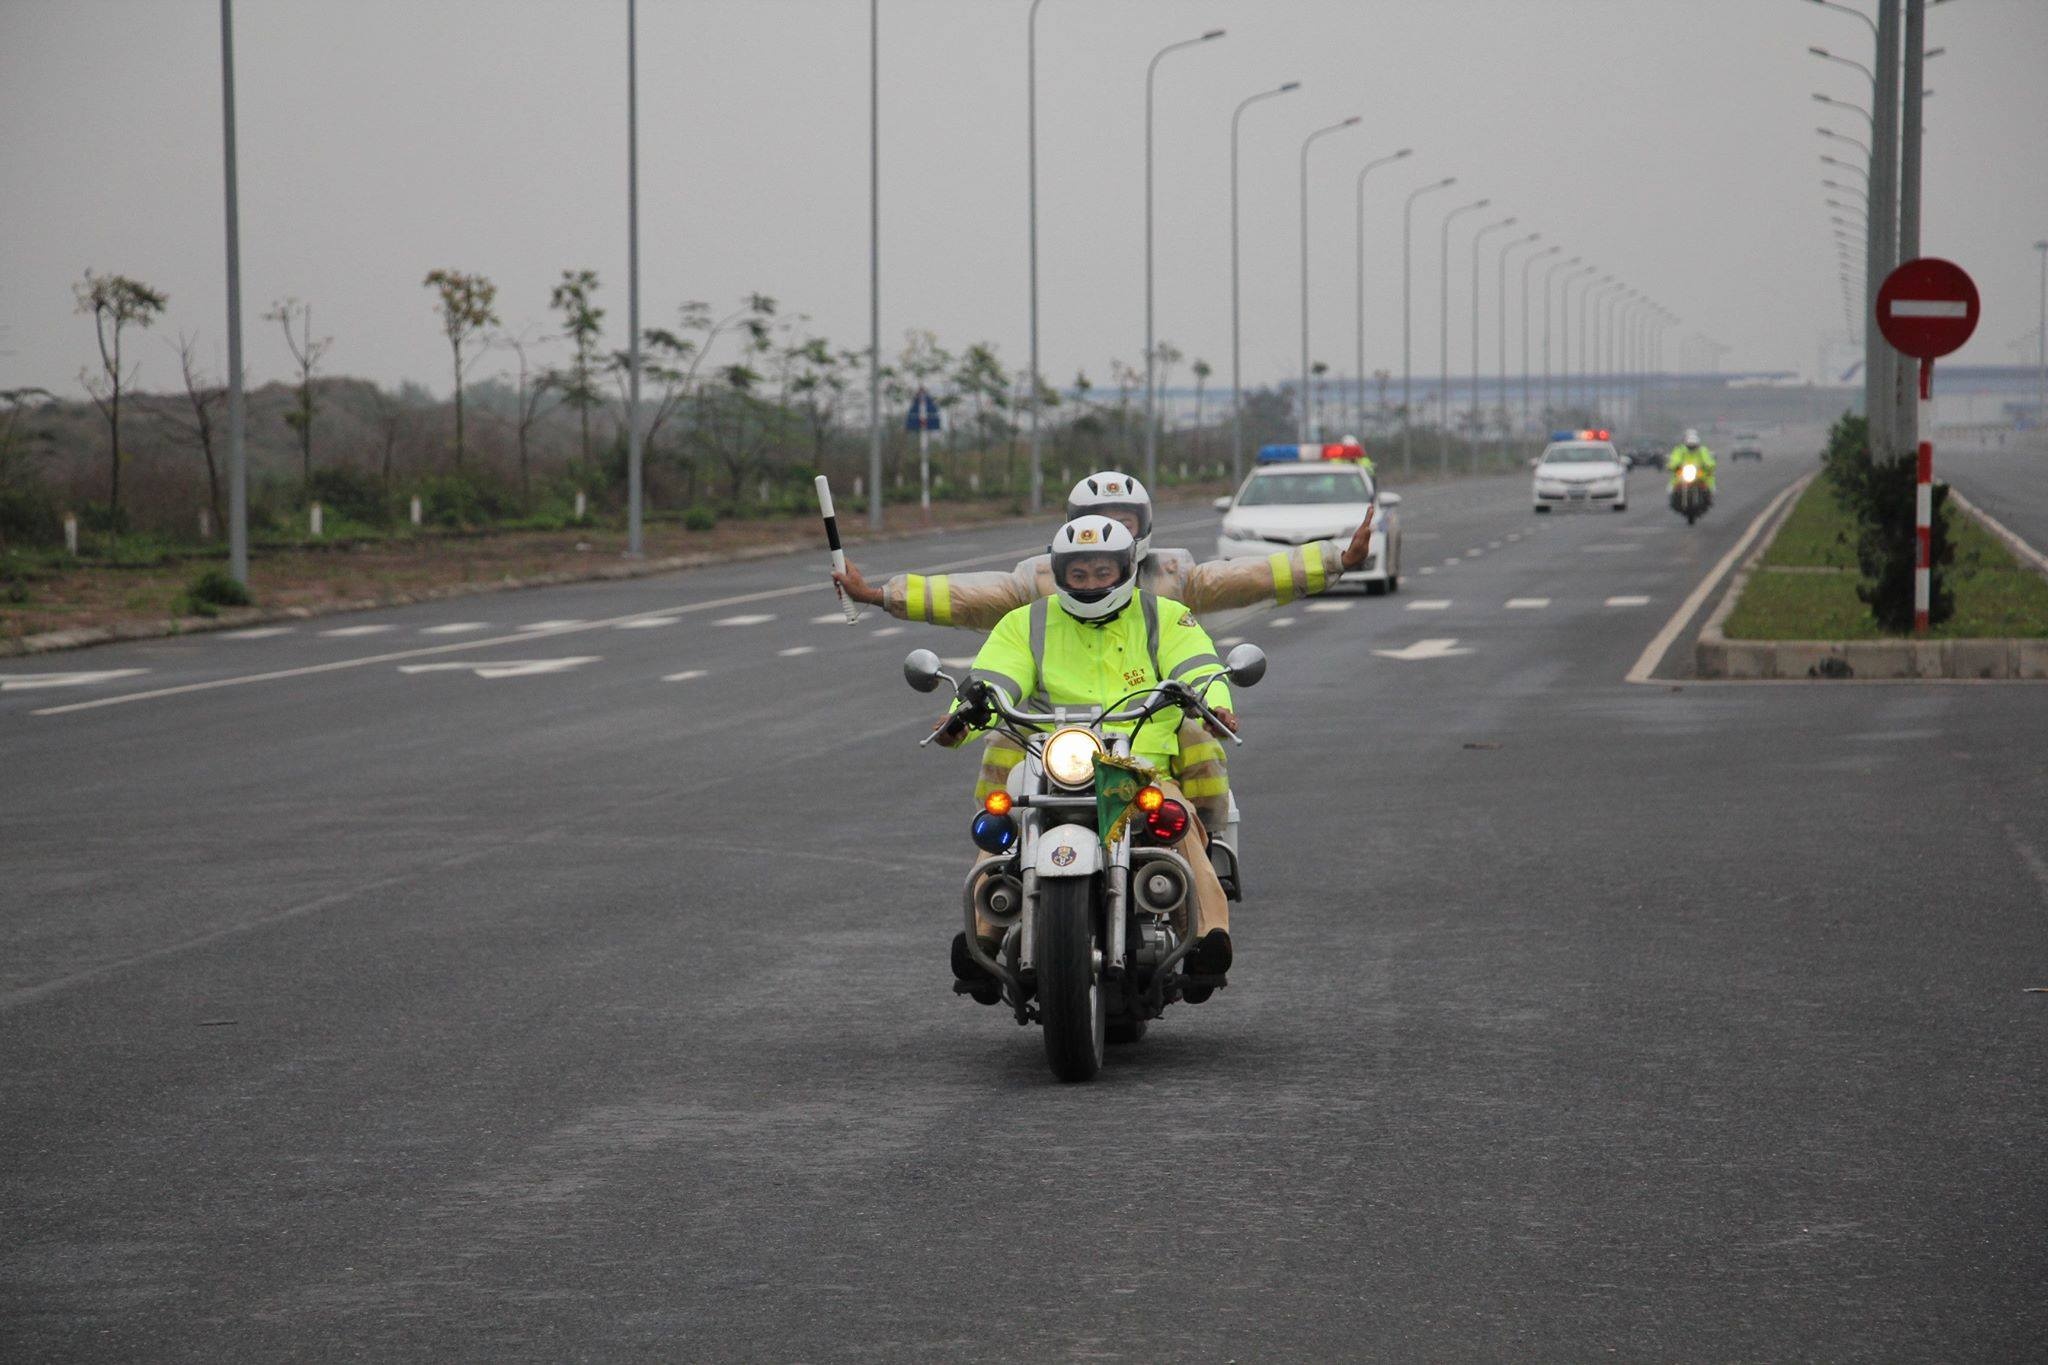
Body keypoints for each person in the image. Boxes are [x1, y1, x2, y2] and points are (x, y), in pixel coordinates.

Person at [837, 470, 1372, 827]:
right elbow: (973, 612)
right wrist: (884, 596)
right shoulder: (1035, 595)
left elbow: (1244, 583)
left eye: (1123, 522)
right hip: (1050, 737)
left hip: (1145, 733)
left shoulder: (1171, 584)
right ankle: (996, 885)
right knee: (999, 755)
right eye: (1079, 570)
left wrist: (1334, 561)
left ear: (1141, 531)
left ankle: (1207, 871)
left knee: (1196, 763)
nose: (1093, 575)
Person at [933, 515, 1237, 1002]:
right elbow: (995, 679)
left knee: (1176, 822)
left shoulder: (1165, 617)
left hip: (1139, 765)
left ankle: (1206, 936)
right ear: (1059, 573)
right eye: (1078, 573)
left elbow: (1198, 666)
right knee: (1005, 820)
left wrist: (1214, 702)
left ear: (1126, 569)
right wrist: (961, 718)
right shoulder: (1027, 622)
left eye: (1101, 572)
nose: (1090, 582)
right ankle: (983, 939)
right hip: (1049, 761)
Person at [1666, 428, 1717, 501]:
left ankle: (1708, 496)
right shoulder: (1679, 450)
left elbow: (1707, 460)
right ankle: (1673, 497)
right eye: (1690, 446)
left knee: (1708, 480)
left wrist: (1709, 465)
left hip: (1699, 472)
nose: (1692, 447)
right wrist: (1672, 465)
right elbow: (1675, 459)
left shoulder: (1702, 450)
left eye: (1693, 445)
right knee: (1673, 483)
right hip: (1683, 471)